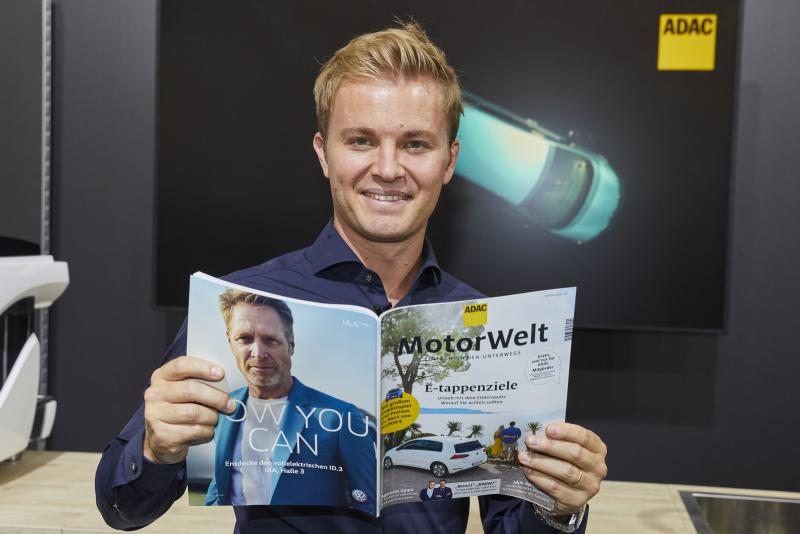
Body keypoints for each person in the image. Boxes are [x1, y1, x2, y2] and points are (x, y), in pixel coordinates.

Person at [95, 21, 608, 534]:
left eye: (415, 144)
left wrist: (559, 506)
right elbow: (123, 508)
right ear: (324, 153)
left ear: (449, 161)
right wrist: (155, 448)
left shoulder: (492, 329)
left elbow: (514, 525)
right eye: (362, 140)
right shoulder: (244, 304)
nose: (387, 168)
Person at [202, 290, 375, 512]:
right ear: (230, 342)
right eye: (245, 339)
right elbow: (220, 487)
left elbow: (367, 505)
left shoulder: (341, 416)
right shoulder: (224, 408)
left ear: (291, 344)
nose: (258, 353)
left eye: (270, 340)